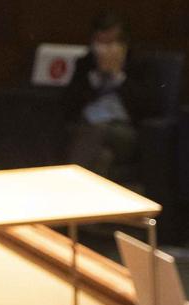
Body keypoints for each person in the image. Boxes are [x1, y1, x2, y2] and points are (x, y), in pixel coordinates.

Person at [63, 11, 162, 179]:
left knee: (96, 130)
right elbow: (68, 104)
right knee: (103, 157)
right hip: (86, 127)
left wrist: (118, 77)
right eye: (99, 42)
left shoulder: (140, 65)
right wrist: (93, 82)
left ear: (123, 44)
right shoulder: (85, 64)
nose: (104, 49)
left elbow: (150, 107)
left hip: (124, 132)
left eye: (110, 43)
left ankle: (66, 182)